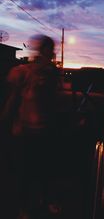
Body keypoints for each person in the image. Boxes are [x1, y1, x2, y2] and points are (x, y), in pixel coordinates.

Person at [0, 35, 61, 219]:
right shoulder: (23, 72)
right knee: (25, 172)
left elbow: (53, 103)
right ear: (41, 51)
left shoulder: (50, 75)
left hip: (44, 131)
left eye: (51, 50)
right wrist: (4, 121)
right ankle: (24, 209)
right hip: (24, 132)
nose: (51, 54)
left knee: (44, 169)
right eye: (49, 50)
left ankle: (43, 201)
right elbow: (13, 99)